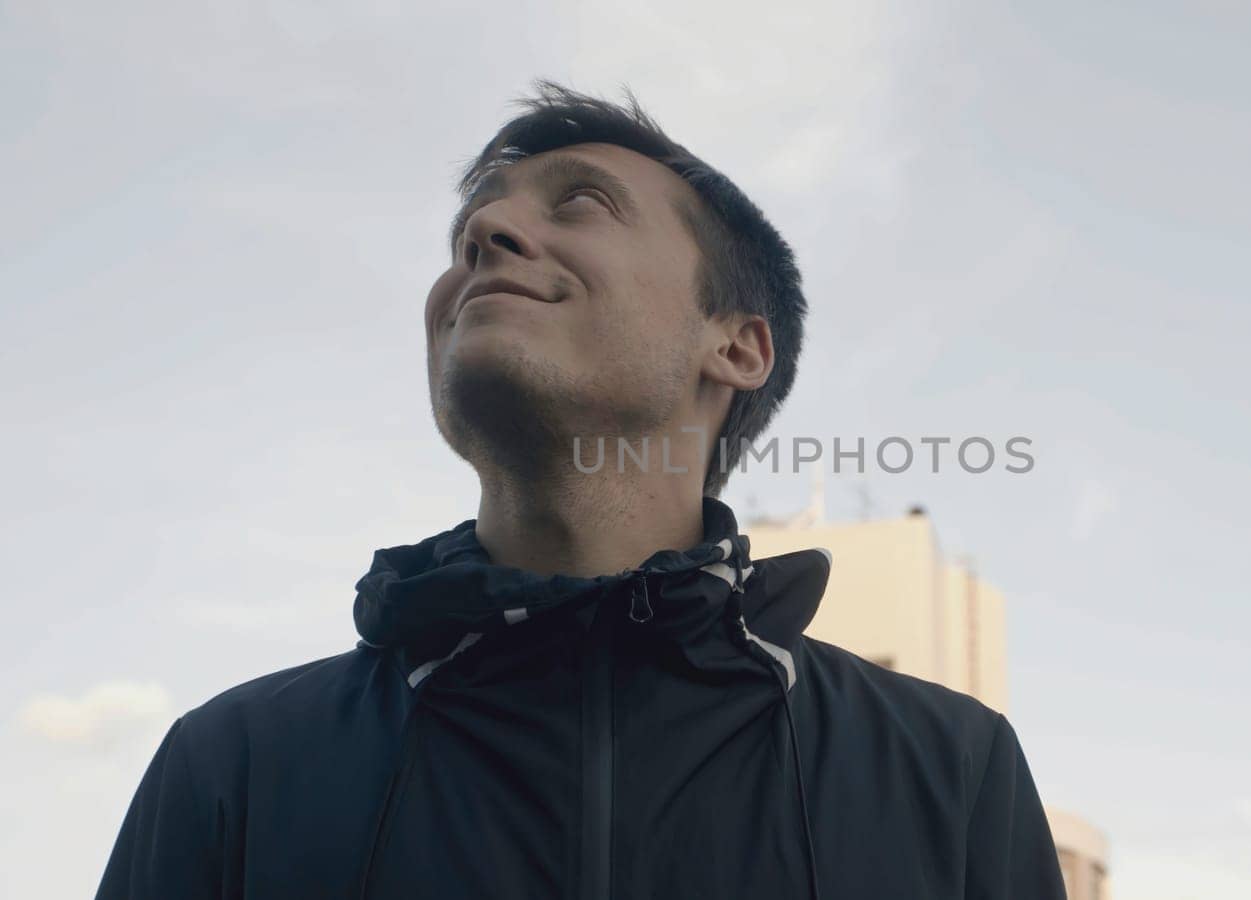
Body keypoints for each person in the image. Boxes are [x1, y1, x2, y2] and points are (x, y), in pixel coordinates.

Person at [95, 80, 1068, 900]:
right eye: (473, 223)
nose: (483, 231)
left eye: (580, 204)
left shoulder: (949, 773)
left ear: (735, 346)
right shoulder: (237, 766)